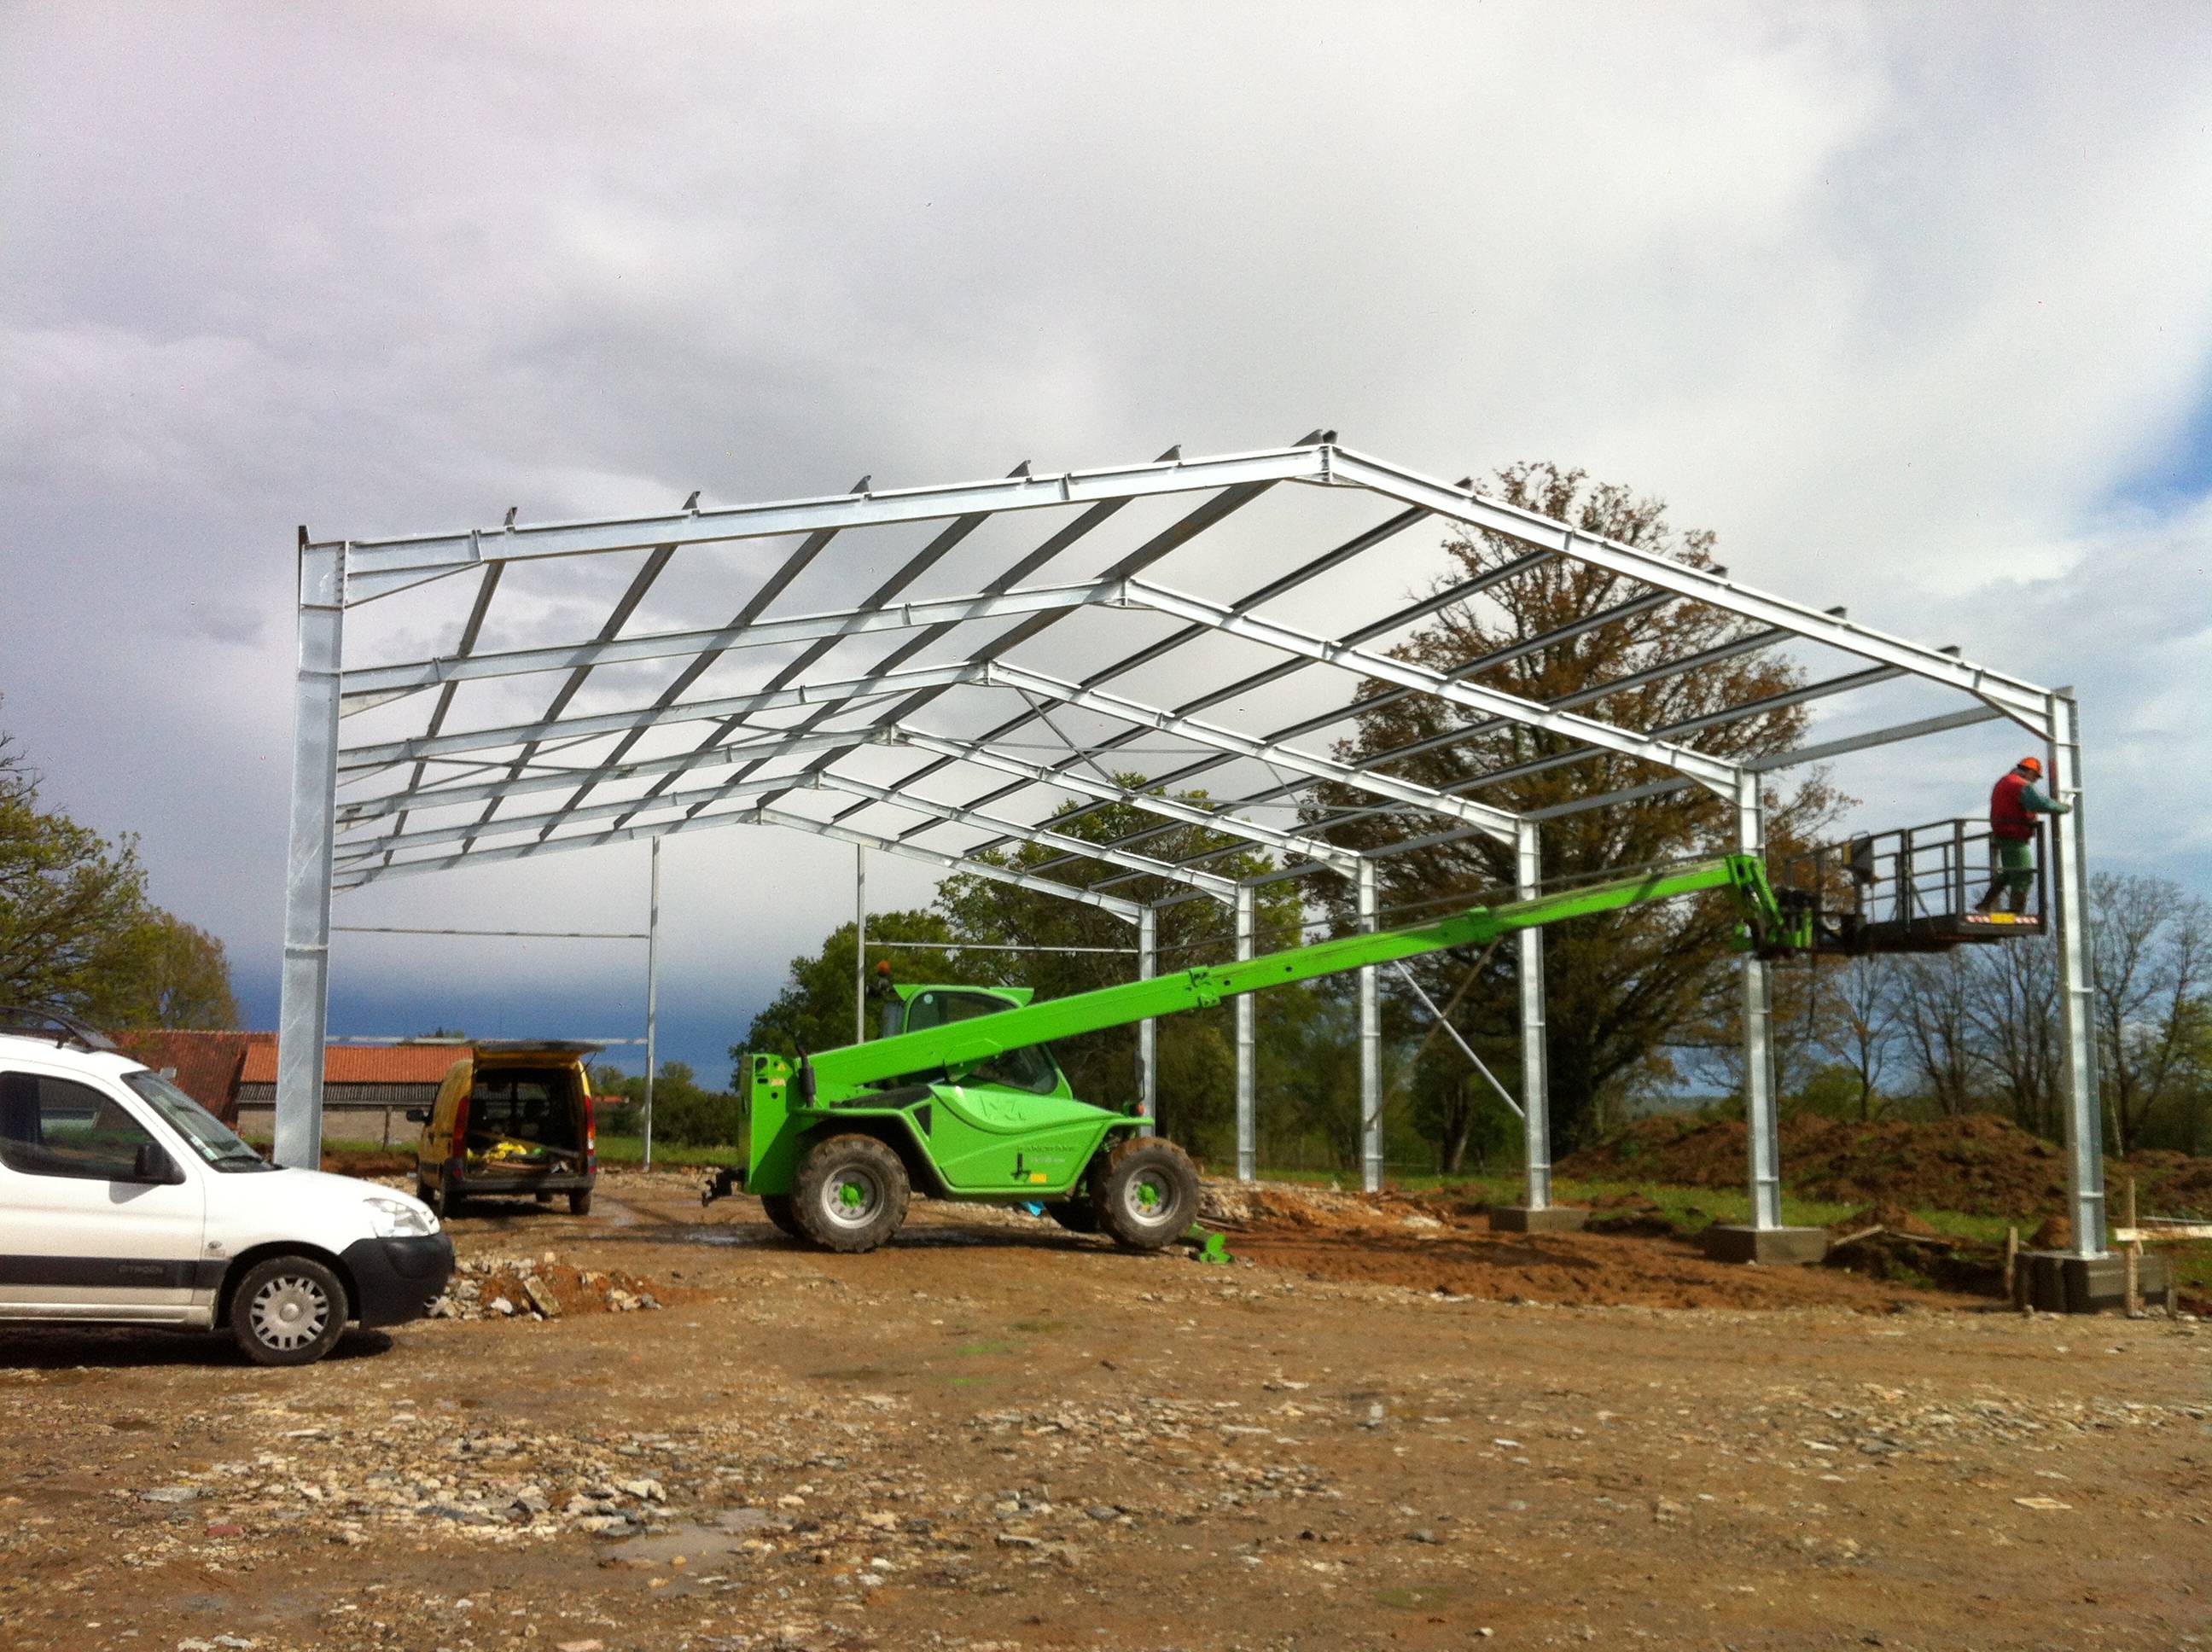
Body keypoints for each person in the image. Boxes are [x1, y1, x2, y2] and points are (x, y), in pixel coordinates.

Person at [1974, 755, 2070, 914]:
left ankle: (1985, 904)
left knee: (2009, 872)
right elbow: (2039, 803)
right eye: (2035, 777)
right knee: (2024, 874)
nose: (2035, 781)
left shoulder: (2003, 782)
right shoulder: (2019, 785)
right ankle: (2015, 912)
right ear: (2029, 772)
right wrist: (2063, 808)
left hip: (2002, 834)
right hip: (2015, 835)